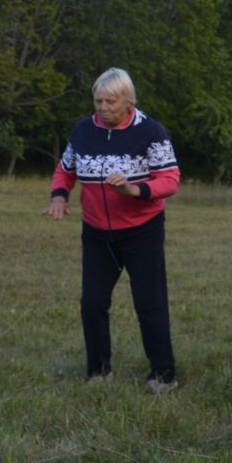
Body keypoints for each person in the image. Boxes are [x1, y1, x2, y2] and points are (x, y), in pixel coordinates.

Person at [46, 68, 182, 391]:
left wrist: (136, 190)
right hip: (96, 233)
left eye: (110, 101)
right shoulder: (83, 131)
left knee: (149, 303)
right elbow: (65, 170)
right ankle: (98, 372)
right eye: (98, 101)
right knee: (92, 302)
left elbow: (170, 179)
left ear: (128, 101)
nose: (103, 108)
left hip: (141, 230)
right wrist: (59, 196)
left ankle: (163, 375)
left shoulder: (151, 132)